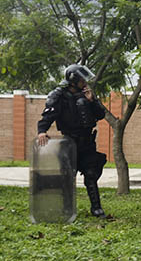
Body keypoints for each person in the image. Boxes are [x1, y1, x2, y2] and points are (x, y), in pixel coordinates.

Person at [36, 65, 108, 217]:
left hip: (87, 142)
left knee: (91, 174)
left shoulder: (86, 94)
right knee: (67, 176)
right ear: (74, 80)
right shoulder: (59, 95)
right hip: (69, 142)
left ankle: (96, 208)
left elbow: (100, 114)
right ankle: (66, 208)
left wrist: (92, 100)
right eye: (82, 79)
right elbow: (48, 116)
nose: (85, 82)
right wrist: (42, 131)